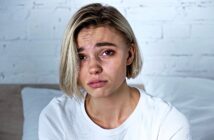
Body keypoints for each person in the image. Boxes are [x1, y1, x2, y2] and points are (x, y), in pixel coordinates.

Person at [39, 3, 191, 140]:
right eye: (81, 57)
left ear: (130, 55)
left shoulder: (167, 122)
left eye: (107, 52)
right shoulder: (56, 117)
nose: (93, 68)